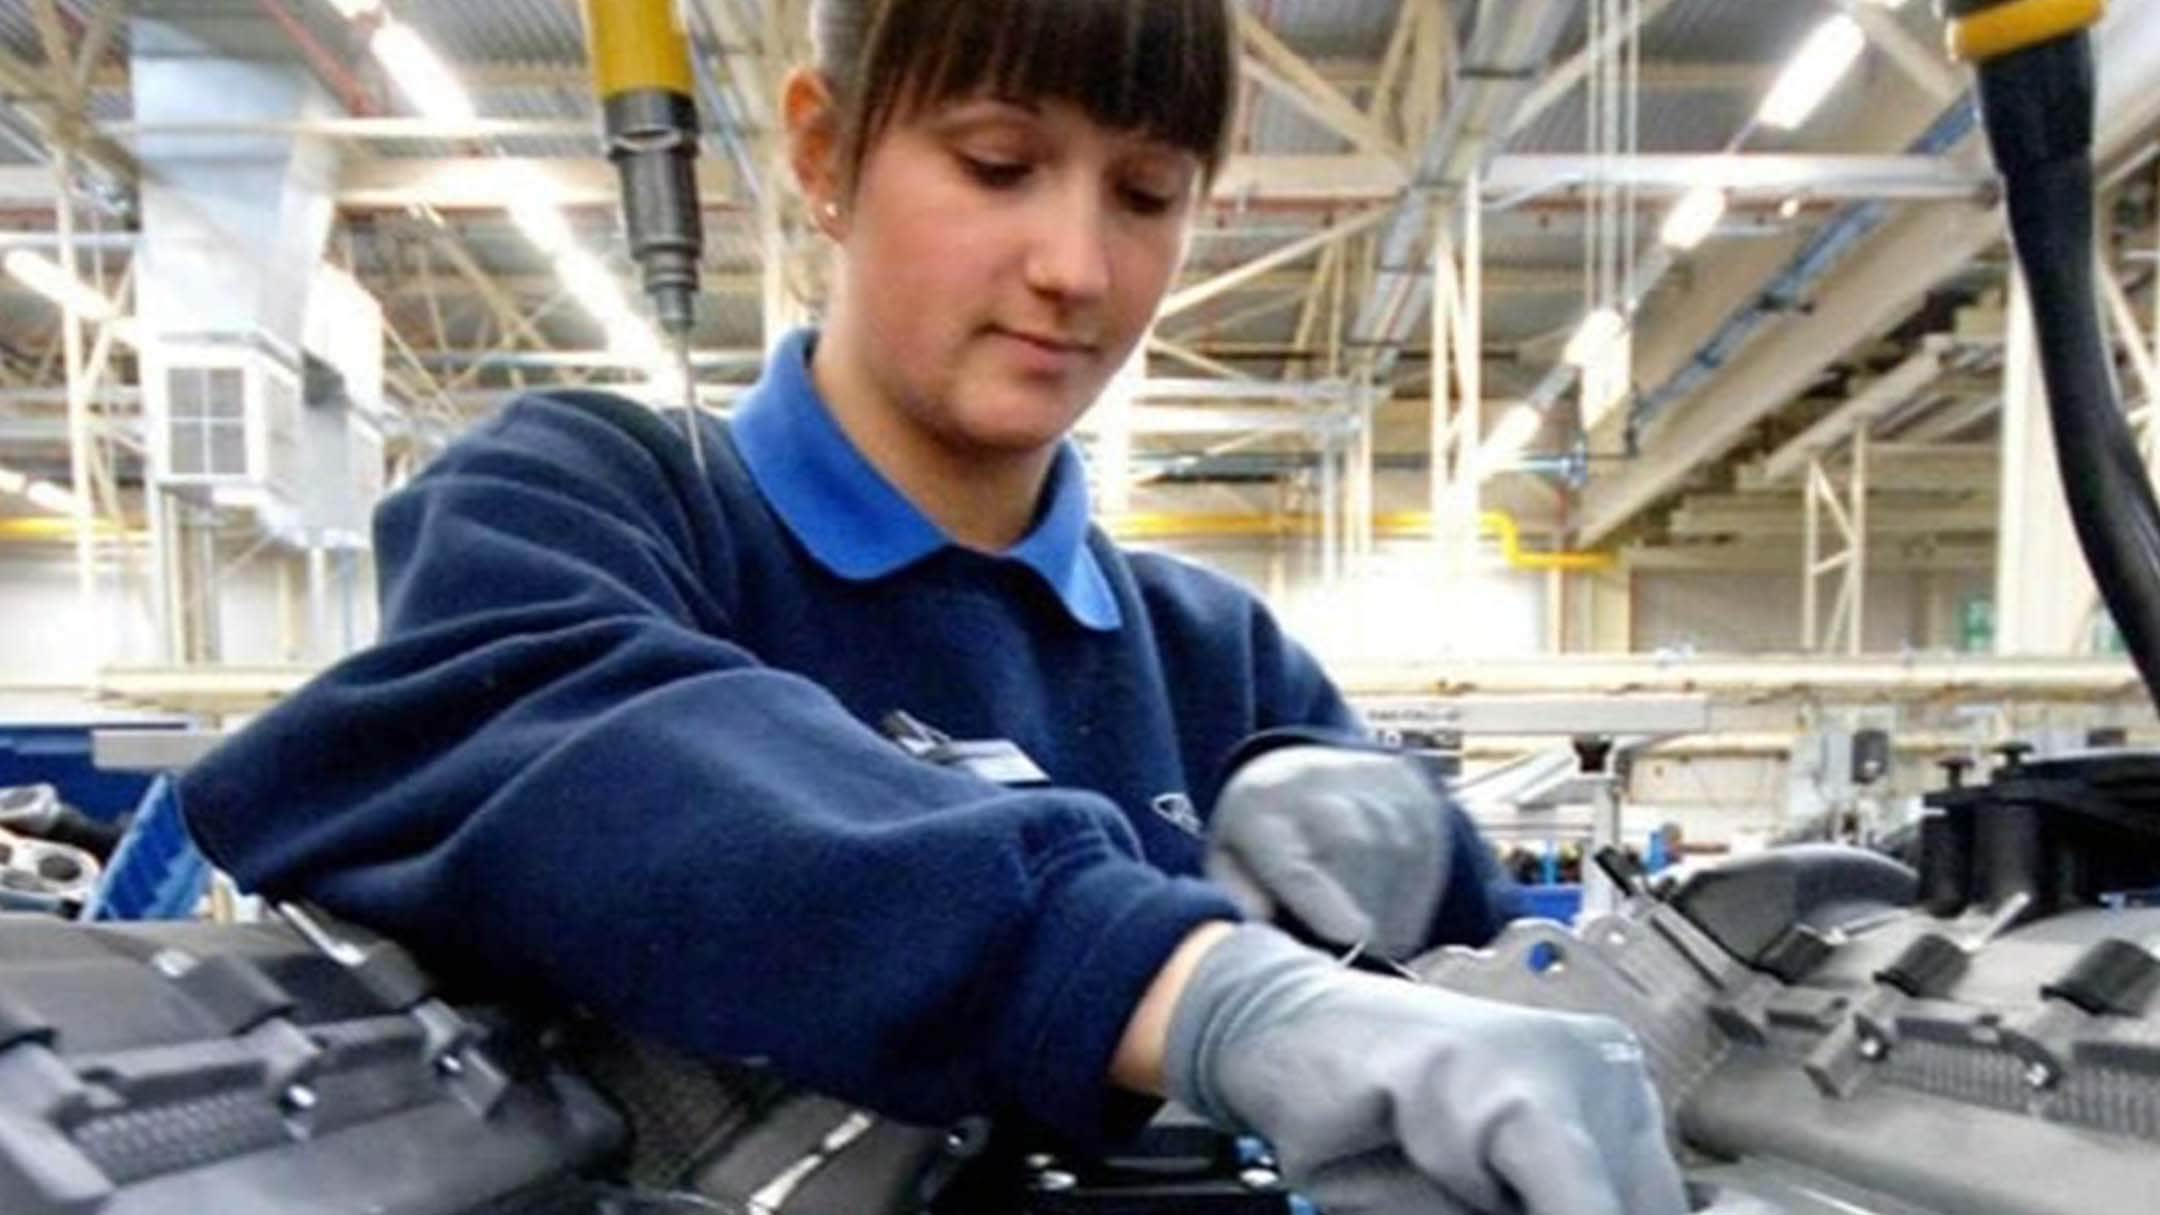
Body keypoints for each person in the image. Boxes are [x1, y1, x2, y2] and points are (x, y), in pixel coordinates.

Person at [179, 2, 1687, 1212]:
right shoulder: (603, 504)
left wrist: (1457, 902)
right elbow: (563, 738)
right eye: (996, 164)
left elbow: (1521, 1039)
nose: (1076, 266)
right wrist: (1185, 985)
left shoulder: (1219, 665)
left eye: (1147, 194)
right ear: (826, 155)